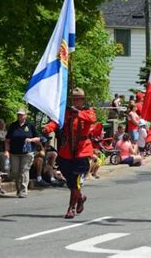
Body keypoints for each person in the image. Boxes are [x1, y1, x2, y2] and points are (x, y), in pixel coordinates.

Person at [43, 88, 96, 218]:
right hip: (66, 150)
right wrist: (47, 128)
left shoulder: (87, 111)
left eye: (79, 99)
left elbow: (92, 119)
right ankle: (81, 197)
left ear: (83, 100)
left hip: (82, 150)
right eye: (74, 99)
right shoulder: (65, 112)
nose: (77, 101)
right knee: (70, 180)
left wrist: (78, 113)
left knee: (75, 179)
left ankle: (71, 208)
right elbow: (56, 122)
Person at [5, 108, 41, 198]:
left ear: (25, 115)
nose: (19, 116)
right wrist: (6, 151)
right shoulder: (13, 126)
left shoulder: (30, 125)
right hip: (14, 152)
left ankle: (23, 191)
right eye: (18, 114)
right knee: (15, 172)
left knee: (24, 171)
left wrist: (31, 139)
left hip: (27, 153)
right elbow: (7, 140)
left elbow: (38, 138)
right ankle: (18, 189)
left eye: (21, 114)